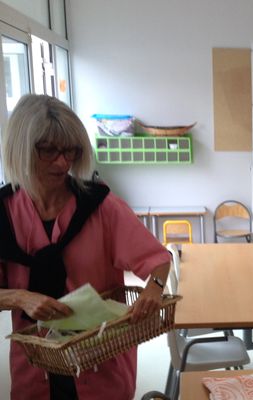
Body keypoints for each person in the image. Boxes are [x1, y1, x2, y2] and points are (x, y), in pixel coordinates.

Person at [0, 94, 170, 400]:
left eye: (70, 151)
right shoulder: (4, 214)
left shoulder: (100, 207)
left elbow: (157, 260)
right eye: (48, 150)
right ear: (21, 149)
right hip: (34, 365)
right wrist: (20, 297)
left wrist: (154, 289)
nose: (62, 162)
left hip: (100, 362)